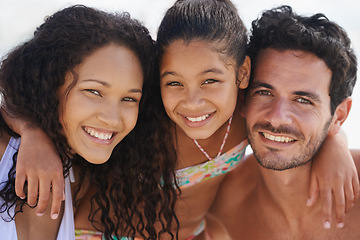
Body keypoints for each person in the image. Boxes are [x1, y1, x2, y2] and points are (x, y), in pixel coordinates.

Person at [8, 1, 359, 239]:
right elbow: (24, 90)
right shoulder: (147, 115)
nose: (192, 102)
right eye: (174, 82)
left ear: (241, 74)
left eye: (210, 80)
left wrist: (334, 143)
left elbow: (294, 124)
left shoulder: (244, 116)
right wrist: (32, 131)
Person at [0, 5, 177, 240]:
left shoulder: (77, 179)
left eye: (129, 98)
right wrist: (31, 129)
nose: (112, 118)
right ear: (51, 84)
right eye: (94, 91)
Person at [207, 5, 360, 239]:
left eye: (303, 100)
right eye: (264, 92)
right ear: (242, 99)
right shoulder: (222, 207)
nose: (277, 116)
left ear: (339, 115)